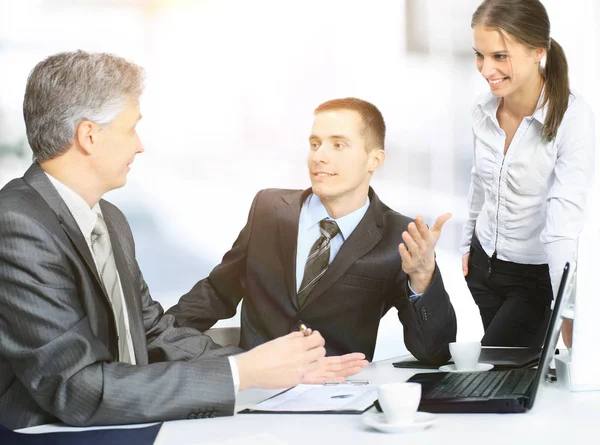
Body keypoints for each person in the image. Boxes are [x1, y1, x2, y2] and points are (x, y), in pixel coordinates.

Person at [0, 51, 366, 430]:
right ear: (89, 136)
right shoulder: (17, 225)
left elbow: (153, 331)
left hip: (124, 422)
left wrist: (272, 365)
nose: (139, 146)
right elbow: (77, 388)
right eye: (130, 129)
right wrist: (242, 373)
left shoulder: (110, 220)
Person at [166, 97, 458, 365]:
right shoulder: (268, 209)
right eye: (315, 144)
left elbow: (435, 353)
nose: (320, 156)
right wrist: (147, 342)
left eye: (338, 145)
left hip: (338, 396)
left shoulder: (398, 236)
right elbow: (217, 292)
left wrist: (422, 277)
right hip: (256, 387)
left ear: (374, 160)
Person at [461, 0, 595, 348]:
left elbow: (563, 219)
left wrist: (568, 309)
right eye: (480, 54)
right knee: (503, 380)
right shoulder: (482, 109)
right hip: (482, 268)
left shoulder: (572, 116)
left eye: (500, 56)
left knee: (502, 379)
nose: (486, 69)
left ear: (538, 51)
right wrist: (466, 244)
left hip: (533, 279)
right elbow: (479, 181)